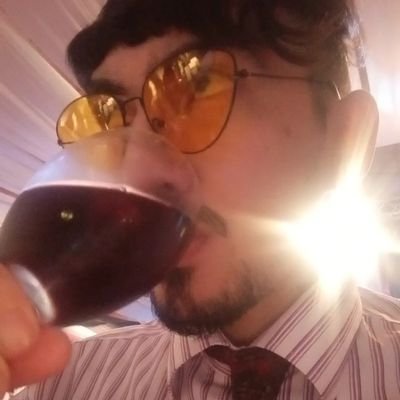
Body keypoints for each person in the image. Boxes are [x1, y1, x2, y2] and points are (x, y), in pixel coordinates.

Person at [1, 0, 400, 398]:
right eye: (109, 119)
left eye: (200, 87)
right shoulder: (64, 383)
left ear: (344, 139)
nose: (139, 172)